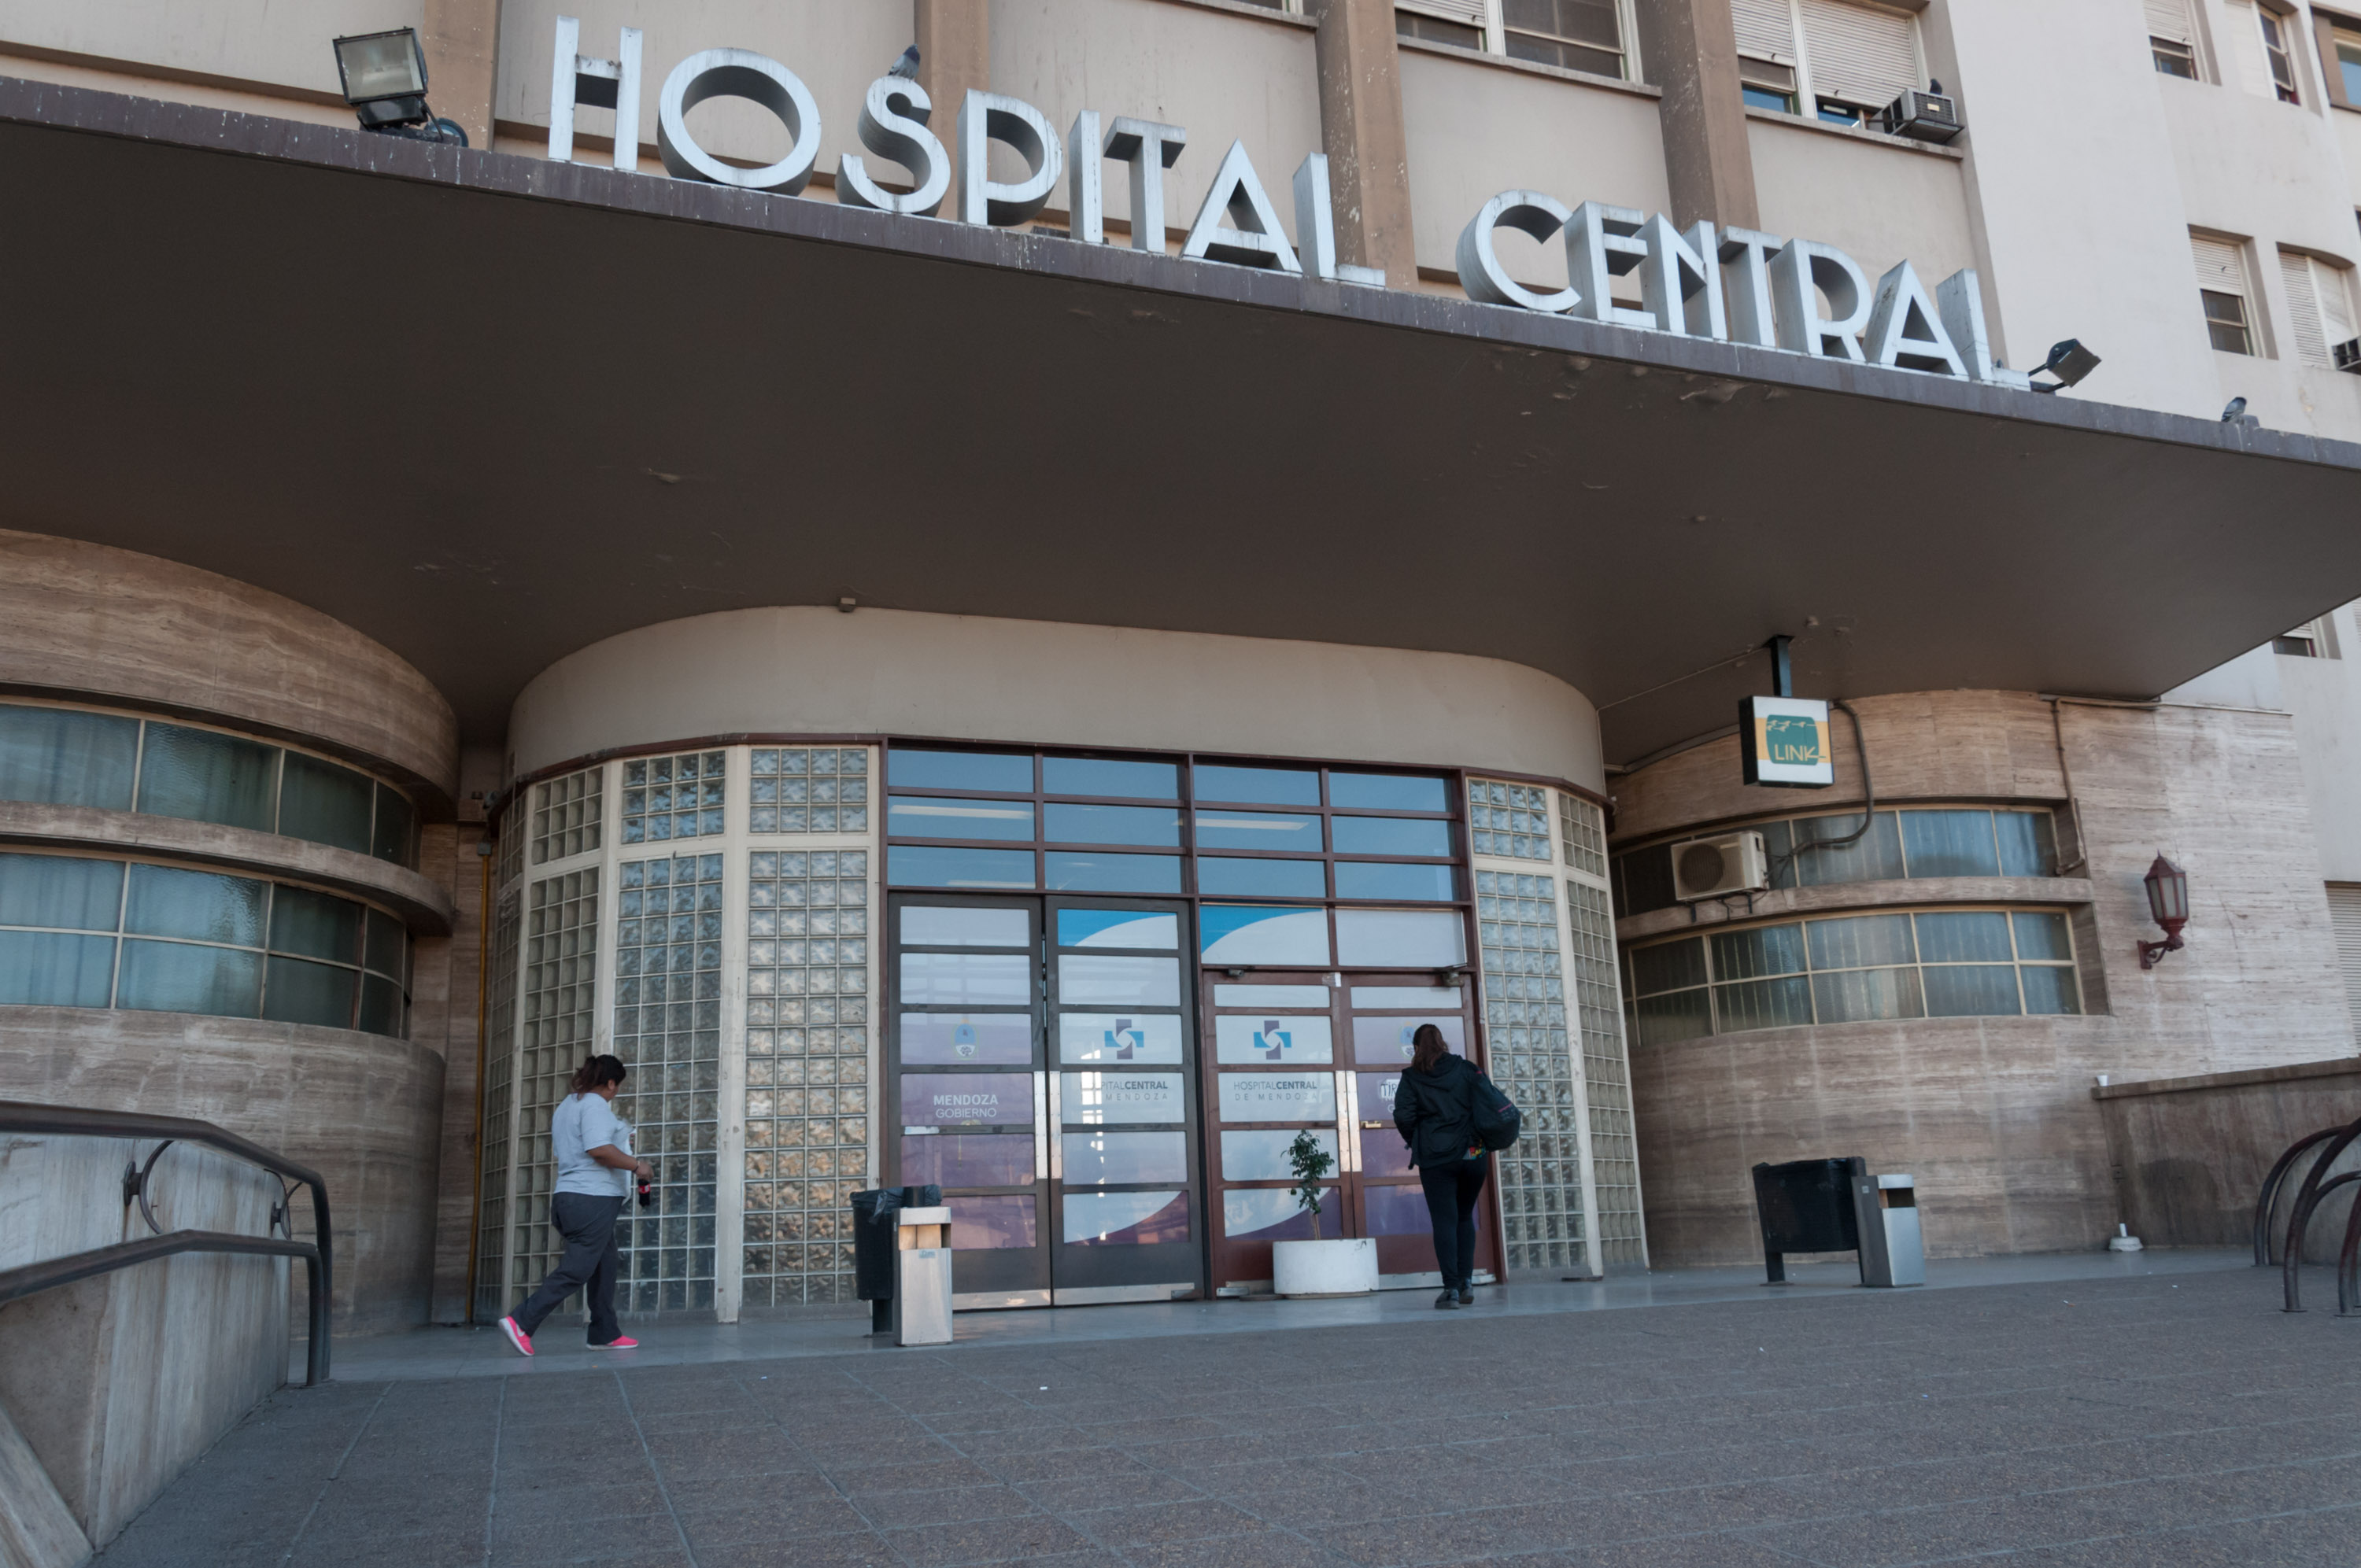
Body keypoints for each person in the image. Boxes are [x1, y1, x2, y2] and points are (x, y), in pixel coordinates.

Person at [501, 1054, 652, 1356]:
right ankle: (522, 1321)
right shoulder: (595, 1105)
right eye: (618, 1086)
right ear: (611, 1083)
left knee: (605, 1265)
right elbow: (599, 1150)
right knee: (577, 1269)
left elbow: (581, 1148)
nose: (617, 1091)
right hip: (591, 1200)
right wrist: (638, 1166)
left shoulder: (569, 1105)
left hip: (571, 1197)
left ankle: (604, 1333)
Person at [1391, 1024, 1492, 1310]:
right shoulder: (1466, 1069)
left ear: (1416, 1047)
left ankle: (1451, 1290)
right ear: (1442, 1043)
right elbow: (1487, 1101)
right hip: (1473, 1154)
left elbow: (1403, 1116)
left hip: (1437, 1158)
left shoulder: (1412, 1077)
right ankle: (1466, 1282)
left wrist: (1419, 1140)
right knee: (1464, 1216)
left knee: (1445, 1221)